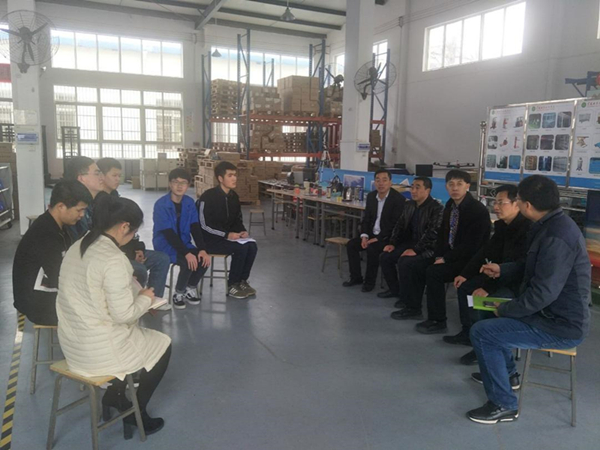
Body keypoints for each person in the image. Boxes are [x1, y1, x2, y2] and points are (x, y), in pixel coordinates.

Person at [467, 175, 591, 424]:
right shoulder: (550, 225)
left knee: (483, 333)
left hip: (560, 325)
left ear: (527, 205)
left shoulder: (556, 236)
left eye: (518, 200)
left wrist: (507, 309)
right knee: (488, 317)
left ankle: (504, 404)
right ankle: (508, 376)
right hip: (548, 314)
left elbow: (544, 293)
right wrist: (503, 269)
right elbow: (530, 265)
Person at [57, 195, 171, 437]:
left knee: (132, 339)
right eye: (134, 232)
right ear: (124, 226)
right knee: (162, 344)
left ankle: (115, 397)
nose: (132, 237)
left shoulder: (78, 246)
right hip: (99, 352)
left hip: (72, 346)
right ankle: (136, 413)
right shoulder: (114, 259)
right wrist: (146, 299)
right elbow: (124, 315)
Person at [448, 185, 531, 366]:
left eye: (501, 203)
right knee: (465, 287)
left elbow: (519, 269)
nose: (496, 207)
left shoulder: (527, 230)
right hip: (498, 275)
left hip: (518, 284)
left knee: (487, 301)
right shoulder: (502, 226)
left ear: (517, 204)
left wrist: (487, 288)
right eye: (495, 202)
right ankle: (469, 333)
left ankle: (486, 349)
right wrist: (465, 274)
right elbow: (485, 252)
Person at [415, 170, 491, 333]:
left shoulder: (477, 210)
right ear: (446, 187)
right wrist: (439, 256)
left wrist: (446, 259)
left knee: (434, 273)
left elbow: (472, 245)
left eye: (459, 184)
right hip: (451, 255)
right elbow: (443, 236)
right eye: (451, 184)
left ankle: (438, 320)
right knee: (416, 265)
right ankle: (413, 308)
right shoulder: (450, 206)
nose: (455, 188)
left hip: (471, 260)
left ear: (467, 186)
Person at [12, 181, 92, 326]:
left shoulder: (58, 226)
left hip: (44, 292)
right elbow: (60, 278)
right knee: (96, 310)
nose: (82, 215)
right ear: (61, 206)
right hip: (37, 304)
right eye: (79, 210)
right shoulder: (45, 234)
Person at [97, 157, 171, 310]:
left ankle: (152, 301)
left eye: (119, 175)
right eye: (114, 175)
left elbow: (129, 229)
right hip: (115, 255)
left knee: (161, 259)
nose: (118, 179)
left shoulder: (115, 197)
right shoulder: (98, 204)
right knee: (139, 270)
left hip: (129, 249)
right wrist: (131, 254)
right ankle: (132, 306)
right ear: (102, 176)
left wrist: (139, 248)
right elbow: (109, 239)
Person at [379, 177, 443, 309]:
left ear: (428, 190)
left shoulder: (437, 209)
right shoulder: (409, 205)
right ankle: (395, 290)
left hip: (428, 248)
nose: (413, 191)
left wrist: (416, 250)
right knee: (385, 257)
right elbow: (399, 226)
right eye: (412, 187)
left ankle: (408, 299)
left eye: (417, 188)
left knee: (405, 262)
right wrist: (392, 243)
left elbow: (433, 233)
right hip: (410, 244)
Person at [197, 161, 258, 299]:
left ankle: (242, 281)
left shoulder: (233, 197)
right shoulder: (208, 197)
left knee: (252, 246)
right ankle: (232, 285)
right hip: (210, 241)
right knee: (241, 248)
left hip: (227, 238)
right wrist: (226, 235)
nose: (234, 178)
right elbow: (204, 225)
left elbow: (237, 220)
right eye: (230, 175)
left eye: (235, 175)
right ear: (220, 178)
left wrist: (242, 231)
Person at [153, 168, 210, 309]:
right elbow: (168, 234)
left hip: (184, 243)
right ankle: (179, 293)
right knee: (187, 261)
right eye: (175, 182)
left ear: (188, 185)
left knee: (203, 259)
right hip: (166, 245)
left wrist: (202, 249)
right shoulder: (161, 205)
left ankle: (190, 287)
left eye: (183, 183)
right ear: (170, 184)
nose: (179, 186)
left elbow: (195, 227)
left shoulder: (189, 203)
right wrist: (187, 253)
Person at [342, 169, 406, 292]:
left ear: (390, 182)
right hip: (372, 234)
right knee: (351, 245)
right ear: (374, 182)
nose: (381, 183)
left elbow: (394, 225)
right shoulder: (371, 196)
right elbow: (366, 219)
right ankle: (356, 277)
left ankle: (369, 282)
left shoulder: (398, 199)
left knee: (372, 249)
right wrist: (364, 236)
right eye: (378, 180)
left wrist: (377, 239)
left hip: (388, 238)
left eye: (384, 180)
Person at [63, 156, 104, 241]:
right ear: (81, 178)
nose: (102, 178)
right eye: (97, 174)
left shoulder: (91, 203)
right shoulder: (75, 208)